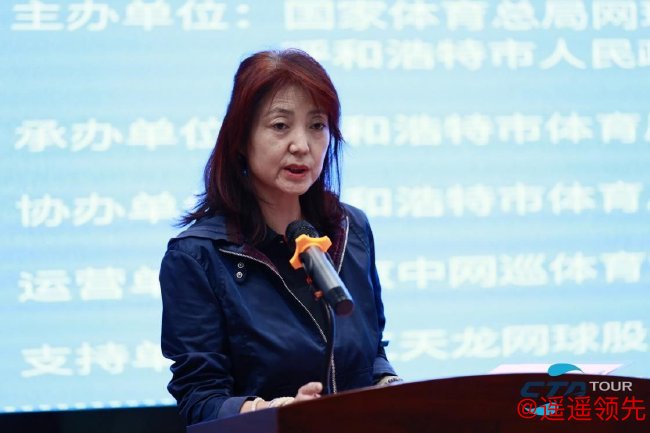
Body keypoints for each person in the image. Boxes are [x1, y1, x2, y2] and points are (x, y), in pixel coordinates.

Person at [159, 49, 400, 425]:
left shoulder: (351, 229)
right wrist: (277, 413)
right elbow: (200, 401)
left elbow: (371, 354)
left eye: (317, 125)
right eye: (280, 126)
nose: (301, 145)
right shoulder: (197, 256)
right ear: (241, 139)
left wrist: (393, 387)